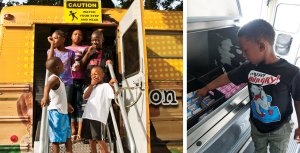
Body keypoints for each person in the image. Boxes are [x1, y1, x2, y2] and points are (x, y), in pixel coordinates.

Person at [196, 19, 300, 153]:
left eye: (246, 51)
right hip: (257, 126)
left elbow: (298, 99)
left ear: (262, 46)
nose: (244, 56)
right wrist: (206, 88)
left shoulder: (292, 72)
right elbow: (228, 77)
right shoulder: (248, 67)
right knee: (259, 149)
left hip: (280, 129)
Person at [81, 66, 117, 153]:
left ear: (103, 75)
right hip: (87, 115)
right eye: (92, 74)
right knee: (90, 138)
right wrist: (92, 85)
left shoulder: (106, 86)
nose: (94, 76)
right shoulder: (90, 87)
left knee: (99, 139)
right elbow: (85, 96)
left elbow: (113, 94)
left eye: (96, 74)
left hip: (98, 117)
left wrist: (112, 84)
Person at [41, 57, 73, 153]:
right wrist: (45, 97)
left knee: (68, 135)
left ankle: (69, 151)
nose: (64, 65)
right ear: (58, 67)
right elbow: (47, 87)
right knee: (56, 138)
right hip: (56, 112)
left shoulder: (58, 78)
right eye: (62, 63)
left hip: (62, 111)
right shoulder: (54, 78)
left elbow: (59, 94)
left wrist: (67, 104)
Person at [47, 30, 75, 122]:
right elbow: (49, 61)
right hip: (55, 83)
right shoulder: (51, 51)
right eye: (52, 38)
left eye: (55, 38)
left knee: (66, 105)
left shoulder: (70, 53)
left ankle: (66, 128)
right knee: (56, 104)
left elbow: (73, 65)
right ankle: (57, 124)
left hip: (67, 82)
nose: (53, 40)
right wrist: (51, 45)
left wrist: (76, 66)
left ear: (63, 39)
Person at [66, 29, 89, 141]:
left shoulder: (85, 48)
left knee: (79, 104)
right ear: (71, 36)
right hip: (68, 80)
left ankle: (79, 131)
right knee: (69, 105)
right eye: (75, 34)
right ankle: (72, 129)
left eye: (80, 35)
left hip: (80, 80)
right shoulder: (66, 49)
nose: (77, 36)